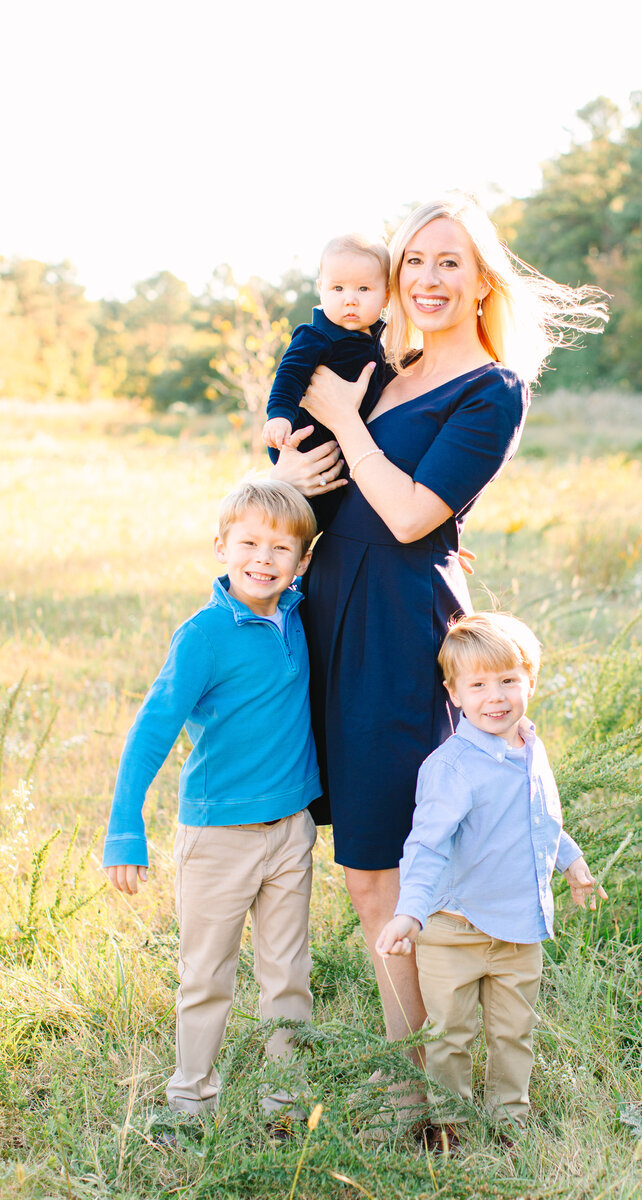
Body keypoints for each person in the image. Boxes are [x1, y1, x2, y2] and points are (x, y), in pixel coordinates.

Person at [270, 193, 608, 1088]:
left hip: (400, 621)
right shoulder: (383, 369)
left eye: (447, 261)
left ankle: (434, 1074)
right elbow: (321, 486)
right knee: (359, 865)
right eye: (413, 260)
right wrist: (287, 469)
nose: (425, 278)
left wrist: (344, 424)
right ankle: (411, 1055)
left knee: (395, 849)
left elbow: (416, 514)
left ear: (481, 279)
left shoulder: (491, 391)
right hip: (328, 605)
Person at [102, 479, 320, 1118]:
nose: (264, 558)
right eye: (249, 542)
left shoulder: (297, 612)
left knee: (287, 977)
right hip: (219, 835)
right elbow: (151, 732)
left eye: (282, 548)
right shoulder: (202, 635)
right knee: (206, 976)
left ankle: (287, 1105)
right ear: (220, 546)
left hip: (290, 831)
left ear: (302, 563)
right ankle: (189, 1102)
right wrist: (124, 828)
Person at [376, 612, 608, 1151]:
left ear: (530, 680)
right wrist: (410, 913)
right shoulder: (451, 767)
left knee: (513, 1033)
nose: (495, 696)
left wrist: (570, 862)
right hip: (454, 929)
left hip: (520, 929)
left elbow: (537, 819)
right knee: (450, 1034)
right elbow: (427, 845)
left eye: (507, 680)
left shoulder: (531, 746)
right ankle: (450, 1124)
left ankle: (509, 1119)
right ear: (453, 694)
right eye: (477, 685)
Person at [263, 233, 390, 465]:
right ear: (321, 289)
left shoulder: (381, 342)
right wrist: (279, 415)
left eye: (363, 289)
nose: (350, 300)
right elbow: (290, 374)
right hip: (306, 443)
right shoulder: (314, 337)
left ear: (386, 295)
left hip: (347, 452)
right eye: (338, 288)